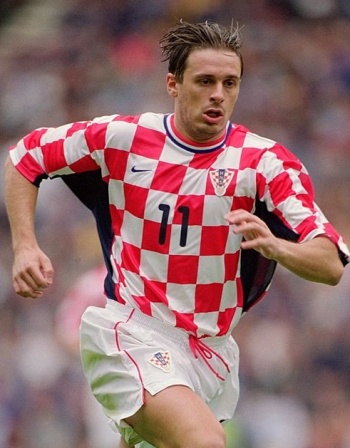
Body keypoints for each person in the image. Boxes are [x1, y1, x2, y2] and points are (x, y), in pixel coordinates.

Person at [4, 20, 350, 448]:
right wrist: (25, 245)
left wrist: (278, 246)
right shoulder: (123, 139)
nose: (218, 94)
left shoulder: (265, 163)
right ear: (173, 83)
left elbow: (331, 262)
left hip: (211, 352)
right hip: (132, 329)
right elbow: (26, 155)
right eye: (205, 81)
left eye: (230, 82)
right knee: (204, 443)